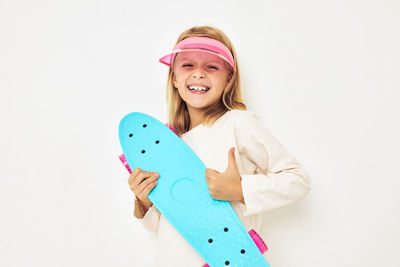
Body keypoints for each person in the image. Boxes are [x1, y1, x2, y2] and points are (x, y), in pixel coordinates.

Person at [127, 25, 311, 266]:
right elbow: (166, 227)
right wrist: (144, 203)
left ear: (228, 79)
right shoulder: (168, 141)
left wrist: (240, 189)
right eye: (187, 65)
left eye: (212, 67)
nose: (199, 74)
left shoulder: (237, 124)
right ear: (174, 77)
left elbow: (298, 180)